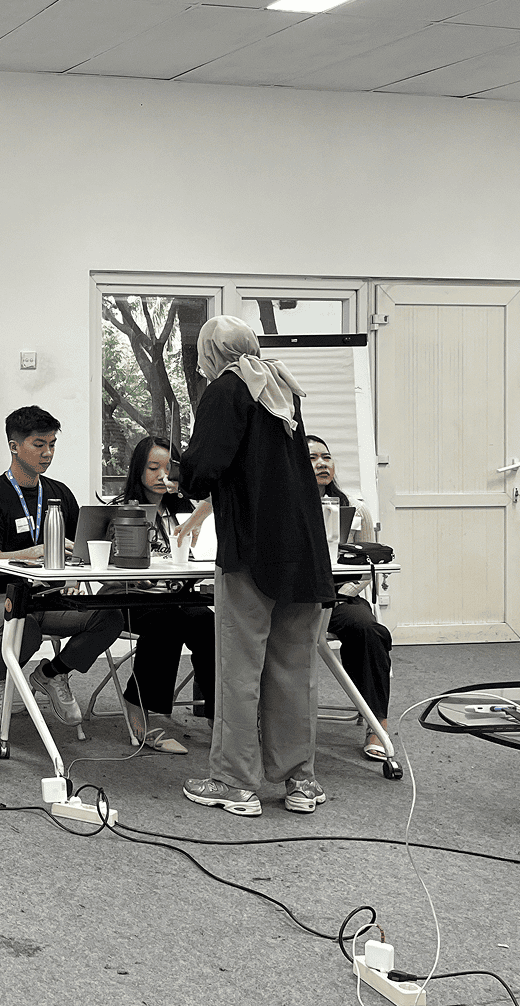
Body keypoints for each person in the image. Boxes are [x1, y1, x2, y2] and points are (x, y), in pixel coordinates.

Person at [178, 316, 335, 817]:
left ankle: (235, 782)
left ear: (211, 353)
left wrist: (183, 476)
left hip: (251, 549)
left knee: (239, 669)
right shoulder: (280, 387)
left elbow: (203, 468)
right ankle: (300, 781)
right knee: (294, 668)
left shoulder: (227, 389)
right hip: (304, 550)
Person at [0, 406, 123, 728]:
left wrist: (75, 577)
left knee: (109, 617)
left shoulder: (59, 493)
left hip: (50, 599)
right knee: (24, 626)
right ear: (14, 446)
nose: (48, 453)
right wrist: (35, 553)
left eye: (52, 444)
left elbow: (79, 551)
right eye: (39, 445)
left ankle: (52, 674)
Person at [113, 437, 216, 752]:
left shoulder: (185, 510)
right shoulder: (121, 508)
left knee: (207, 622)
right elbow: (105, 562)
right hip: (132, 597)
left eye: (169, 468)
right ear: (138, 470)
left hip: (178, 595)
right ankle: (140, 706)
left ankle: (219, 715)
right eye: (153, 468)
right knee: (167, 620)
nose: (162, 476)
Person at [309, 435, 394, 761]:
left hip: (341, 597)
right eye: (312, 458)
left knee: (368, 630)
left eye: (326, 457)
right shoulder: (284, 508)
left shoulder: (356, 509)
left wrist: (340, 597)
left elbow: (368, 568)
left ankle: (377, 724)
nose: (322, 463)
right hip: (298, 598)